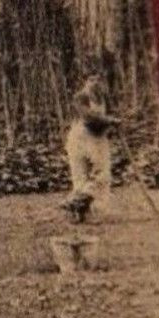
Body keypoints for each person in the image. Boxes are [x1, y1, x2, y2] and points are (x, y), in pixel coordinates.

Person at [64, 72, 116, 223]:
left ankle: (84, 205)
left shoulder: (103, 97)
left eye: (98, 79)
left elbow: (112, 113)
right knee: (79, 175)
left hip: (97, 139)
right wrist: (110, 120)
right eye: (91, 79)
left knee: (102, 174)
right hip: (80, 137)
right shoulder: (80, 97)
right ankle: (79, 213)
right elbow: (89, 117)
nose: (94, 82)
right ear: (85, 81)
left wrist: (115, 120)